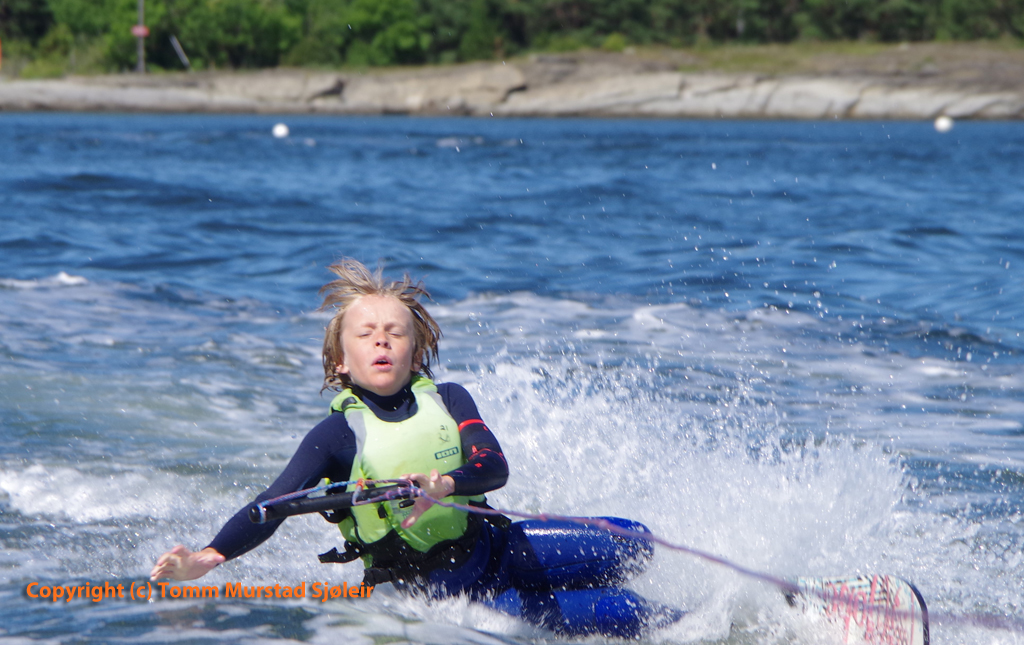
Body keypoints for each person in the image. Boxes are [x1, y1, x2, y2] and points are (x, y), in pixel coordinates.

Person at [151, 258, 680, 637]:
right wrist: (210, 555)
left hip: (498, 549)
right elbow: (273, 504)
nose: (381, 340)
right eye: (365, 334)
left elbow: (493, 466)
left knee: (635, 542)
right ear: (340, 361)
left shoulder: (449, 399)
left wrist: (445, 483)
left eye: (395, 333)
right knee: (633, 615)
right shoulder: (334, 437)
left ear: (416, 352)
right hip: (458, 598)